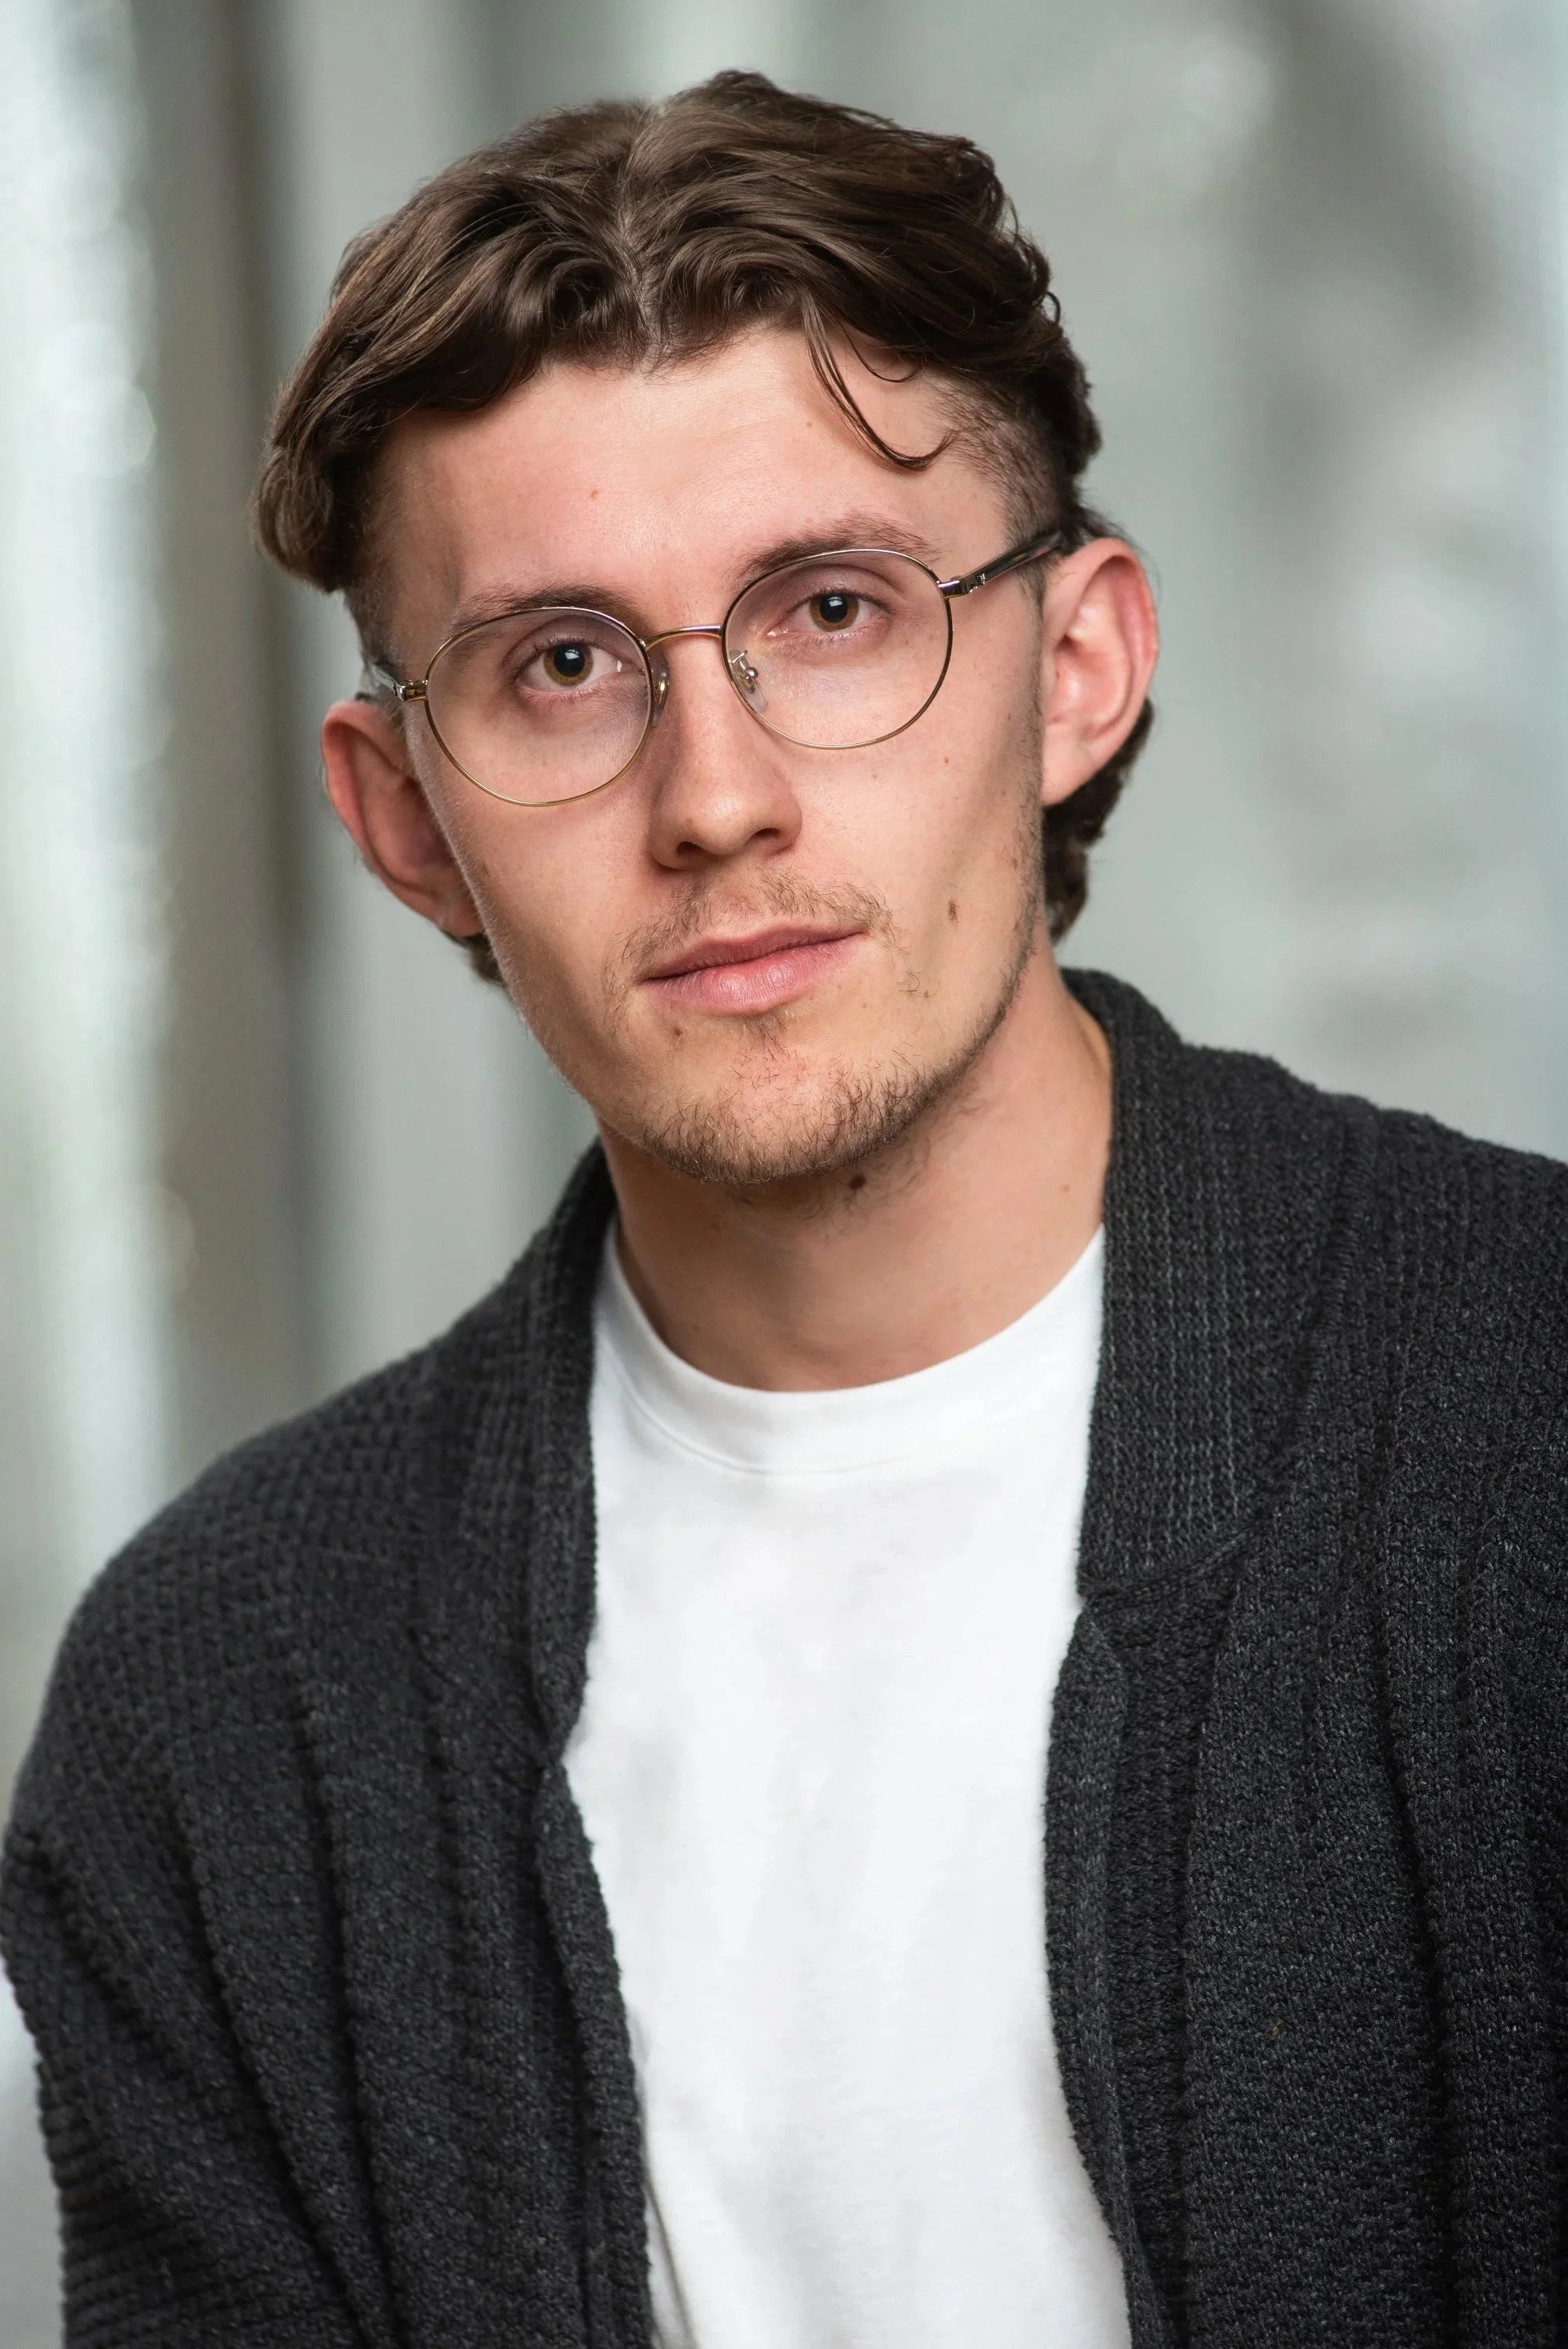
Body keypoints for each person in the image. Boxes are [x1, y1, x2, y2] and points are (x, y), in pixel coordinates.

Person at [3, 67, 1566, 2349]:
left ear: (1082, 669)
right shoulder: (225, 1705)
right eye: (562, 664)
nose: (715, 797)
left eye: (834, 610)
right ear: (406, 817)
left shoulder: (1525, 1424)